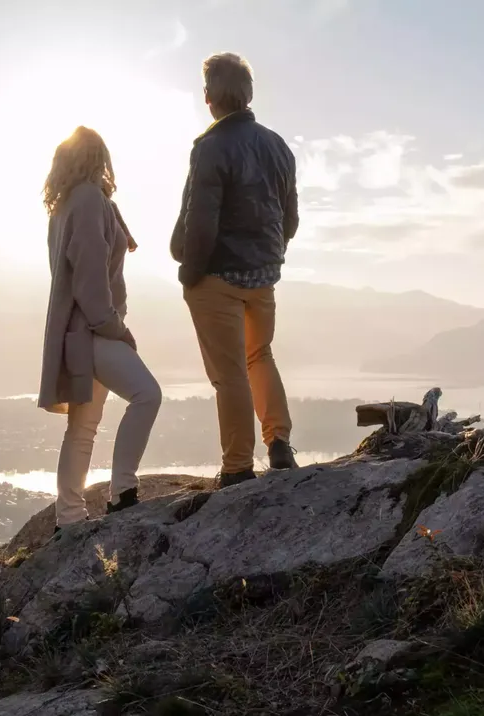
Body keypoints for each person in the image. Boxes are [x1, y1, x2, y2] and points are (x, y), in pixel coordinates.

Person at [171, 52, 299, 488]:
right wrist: (270, 255)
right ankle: (279, 442)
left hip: (218, 278)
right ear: (248, 94)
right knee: (259, 355)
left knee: (229, 375)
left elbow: (200, 220)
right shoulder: (278, 145)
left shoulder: (210, 148)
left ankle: (238, 468)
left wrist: (190, 274)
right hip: (263, 277)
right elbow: (290, 218)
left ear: (208, 97)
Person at [38, 126, 161, 530]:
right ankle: (123, 492)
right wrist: (114, 327)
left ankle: (69, 518)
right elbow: (90, 278)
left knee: (83, 427)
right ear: (98, 158)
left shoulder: (66, 205)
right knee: (146, 395)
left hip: (74, 333)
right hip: (93, 329)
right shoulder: (90, 200)